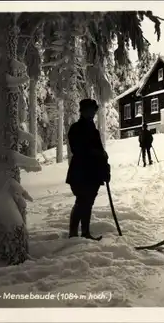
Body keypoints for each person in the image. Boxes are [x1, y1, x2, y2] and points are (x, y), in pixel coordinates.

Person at [65, 99, 111, 241]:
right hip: (80, 173)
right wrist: (96, 154)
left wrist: (105, 168)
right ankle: (73, 233)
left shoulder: (94, 131)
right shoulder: (75, 129)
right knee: (82, 201)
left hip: (93, 174)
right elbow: (78, 150)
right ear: (82, 111)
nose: (92, 113)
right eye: (89, 110)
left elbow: (101, 152)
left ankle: (85, 232)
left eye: (94, 110)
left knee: (88, 202)